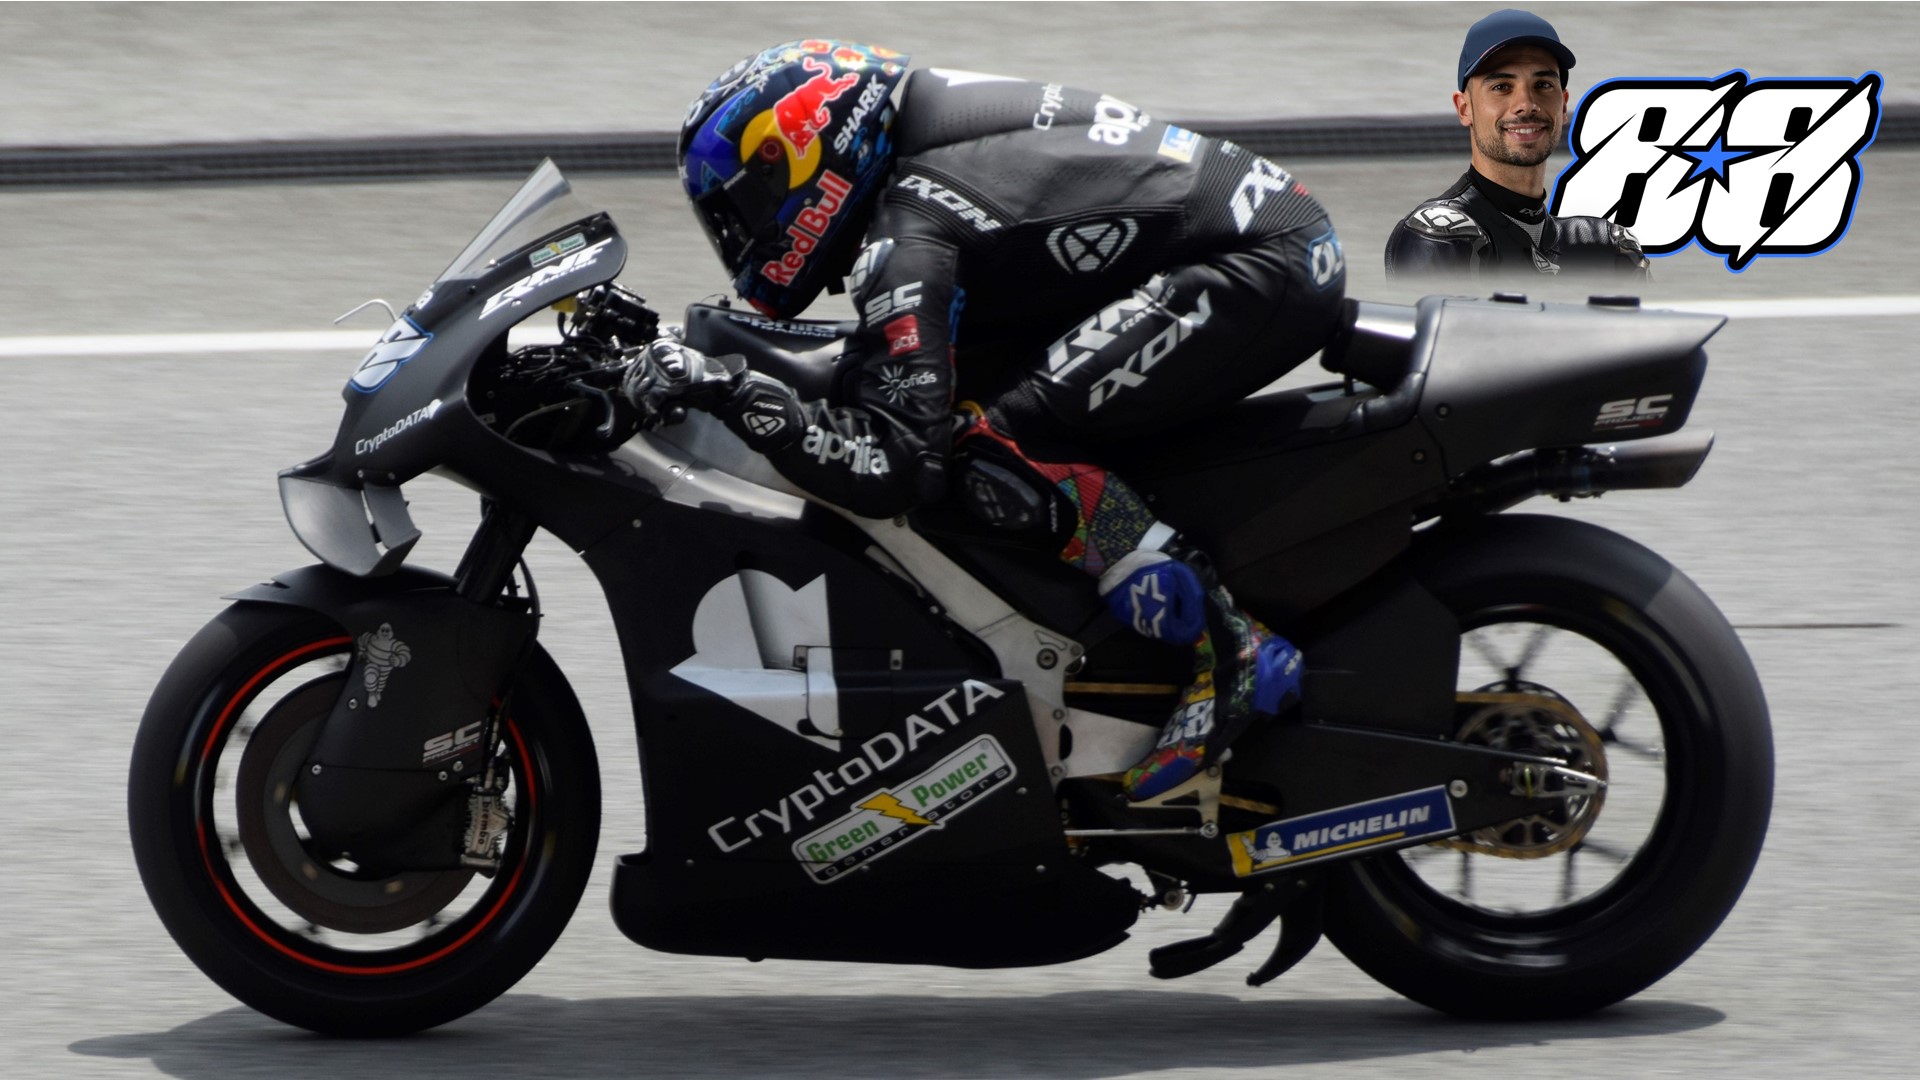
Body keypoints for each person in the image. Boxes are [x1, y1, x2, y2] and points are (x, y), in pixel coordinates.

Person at [626, 40, 1342, 798]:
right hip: (1249, 236)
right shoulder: (927, 129)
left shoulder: (914, 224)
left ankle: (1231, 649)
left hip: (1255, 264)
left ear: (800, 155)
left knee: (989, 444)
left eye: (746, 206)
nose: (747, 235)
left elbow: (897, 464)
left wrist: (733, 392)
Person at [1384, 9, 1649, 280]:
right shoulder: (1440, 235)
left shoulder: (1607, 246)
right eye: (1501, 87)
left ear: (1563, 106)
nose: (1526, 105)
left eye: (1543, 85)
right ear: (1464, 108)